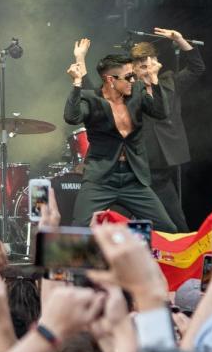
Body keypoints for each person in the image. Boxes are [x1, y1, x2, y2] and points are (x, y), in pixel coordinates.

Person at [64, 42, 177, 230]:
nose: (133, 80)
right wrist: (76, 83)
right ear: (110, 79)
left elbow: (161, 112)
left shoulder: (137, 93)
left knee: (167, 228)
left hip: (133, 177)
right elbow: (71, 117)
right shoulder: (92, 99)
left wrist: (154, 78)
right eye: (129, 77)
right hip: (101, 178)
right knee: (80, 228)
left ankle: (140, 259)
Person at [130, 28, 205, 232]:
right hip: (136, 168)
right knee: (132, 223)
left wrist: (180, 39)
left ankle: (181, 258)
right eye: (143, 66)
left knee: (175, 223)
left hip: (161, 168)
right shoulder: (128, 89)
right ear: (134, 69)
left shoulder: (169, 81)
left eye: (151, 64)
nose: (148, 69)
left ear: (158, 63)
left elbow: (197, 68)